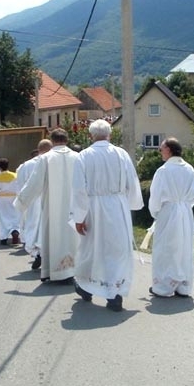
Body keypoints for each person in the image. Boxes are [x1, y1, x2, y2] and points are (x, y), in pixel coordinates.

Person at [70, 119, 144, 312]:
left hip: (93, 207)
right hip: (118, 206)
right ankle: (115, 293)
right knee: (118, 250)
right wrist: (130, 204)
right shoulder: (121, 154)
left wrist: (79, 217)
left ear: (90, 136)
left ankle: (87, 287)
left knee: (91, 249)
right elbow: (132, 181)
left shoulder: (84, 156)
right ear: (110, 134)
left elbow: (79, 189)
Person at [15, 129, 79, 282]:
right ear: (67, 139)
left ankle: (54, 272)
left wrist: (21, 202)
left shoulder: (45, 158)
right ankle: (71, 271)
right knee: (72, 239)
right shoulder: (78, 157)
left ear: (53, 140)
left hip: (52, 207)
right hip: (74, 207)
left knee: (53, 237)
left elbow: (34, 183)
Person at [147, 137, 194, 298]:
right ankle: (183, 286)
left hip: (168, 211)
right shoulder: (189, 168)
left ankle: (163, 287)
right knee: (184, 247)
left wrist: (156, 213)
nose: (160, 152)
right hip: (185, 212)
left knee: (165, 248)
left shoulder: (163, 171)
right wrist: (184, 207)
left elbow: (155, 197)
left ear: (169, 150)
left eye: (161, 149)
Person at [15, 140, 52, 270]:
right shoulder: (54, 161)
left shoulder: (25, 165)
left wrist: (21, 202)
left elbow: (19, 185)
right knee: (48, 229)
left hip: (32, 201)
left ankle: (37, 253)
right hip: (50, 200)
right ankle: (47, 254)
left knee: (34, 227)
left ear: (38, 149)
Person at [0, 158, 21, 246]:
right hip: (13, 198)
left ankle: (4, 237)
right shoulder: (15, 176)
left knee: (3, 218)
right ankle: (15, 230)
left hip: (2, 199)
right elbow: (18, 187)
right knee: (14, 216)